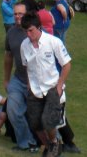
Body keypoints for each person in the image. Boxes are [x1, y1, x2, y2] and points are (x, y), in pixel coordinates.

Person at [21, 12, 72, 157]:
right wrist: (29, 85)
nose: (29, 34)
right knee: (35, 123)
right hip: (35, 90)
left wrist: (59, 85)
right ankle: (50, 145)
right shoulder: (24, 45)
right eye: (26, 31)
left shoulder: (53, 41)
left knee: (48, 121)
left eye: (31, 30)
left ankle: (55, 143)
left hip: (52, 87)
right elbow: (26, 66)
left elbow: (67, 64)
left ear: (39, 27)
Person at [3, 2, 39, 153]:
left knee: (41, 116)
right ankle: (26, 143)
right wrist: (6, 79)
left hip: (37, 81)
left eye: (21, 14)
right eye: (15, 14)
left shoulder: (34, 32)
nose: (17, 17)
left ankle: (54, 145)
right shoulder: (11, 33)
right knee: (12, 110)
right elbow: (8, 56)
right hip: (18, 79)